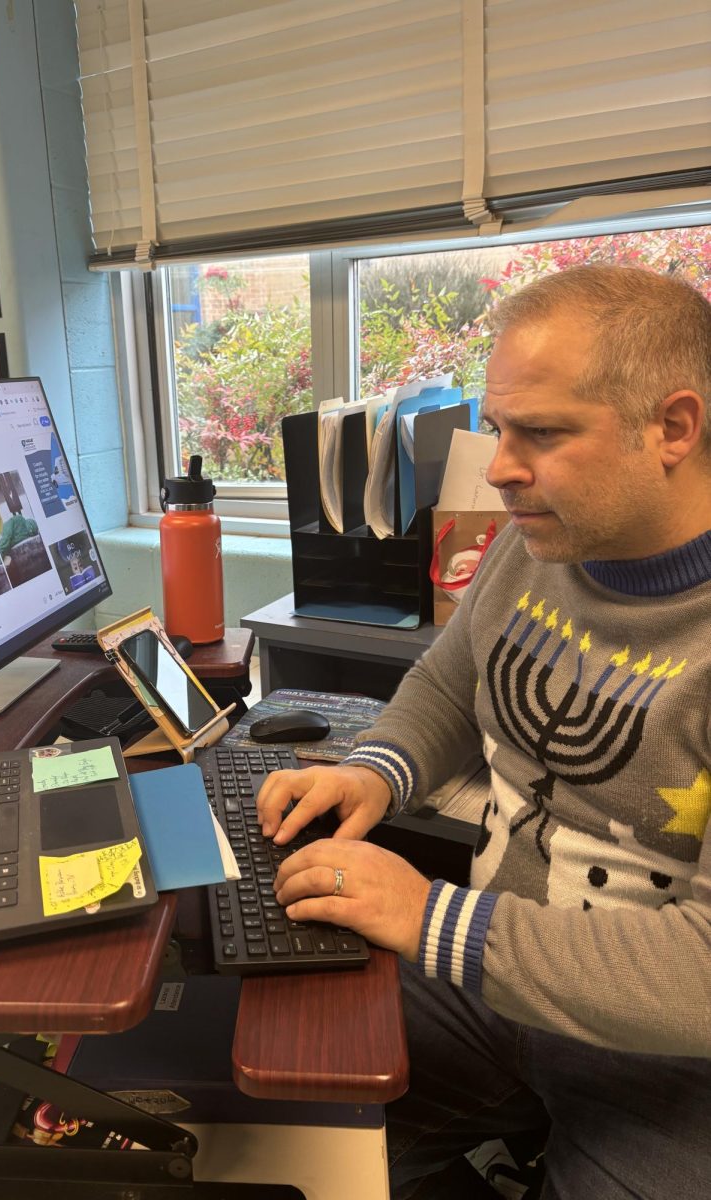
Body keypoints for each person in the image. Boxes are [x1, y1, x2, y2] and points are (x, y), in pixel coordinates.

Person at [257, 264, 711, 1199]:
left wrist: (429, 917)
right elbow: (453, 682)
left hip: (667, 1066)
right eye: (500, 429)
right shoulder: (542, 535)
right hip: (495, 990)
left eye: (542, 433)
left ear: (673, 427)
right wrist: (374, 774)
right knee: (276, 1113)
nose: (499, 467)